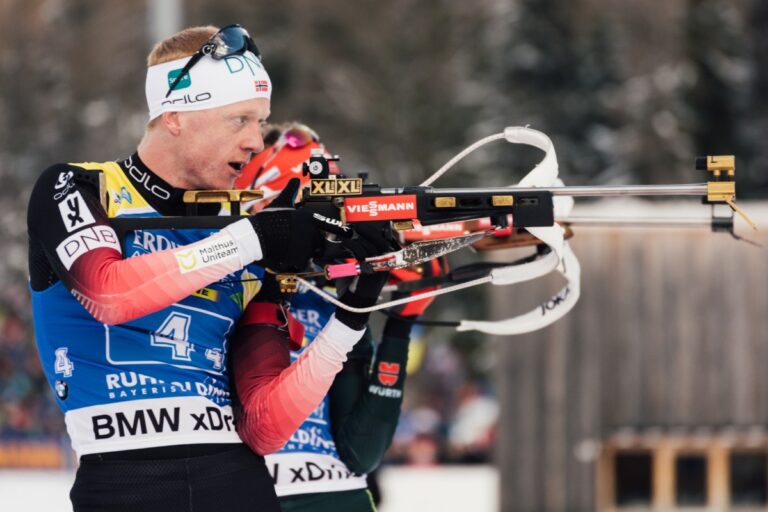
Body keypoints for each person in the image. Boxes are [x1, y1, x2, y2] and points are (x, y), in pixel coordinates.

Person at [26, 25, 390, 512]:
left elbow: (264, 425)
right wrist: (253, 238)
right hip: (123, 481)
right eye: (238, 120)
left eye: (260, 122)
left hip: (237, 481)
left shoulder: (238, 234)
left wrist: (352, 316)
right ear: (174, 115)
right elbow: (109, 294)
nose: (255, 142)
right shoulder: (79, 187)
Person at [233, 123, 445, 511]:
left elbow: (362, 452)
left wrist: (401, 320)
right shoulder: (228, 280)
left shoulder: (330, 291)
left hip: (339, 496)